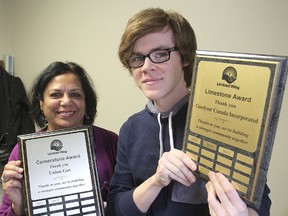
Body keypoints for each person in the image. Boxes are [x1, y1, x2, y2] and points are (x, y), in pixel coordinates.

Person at [106, 7, 271, 216]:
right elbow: (115, 209)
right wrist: (157, 180)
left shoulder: (224, 120)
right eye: (137, 58)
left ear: (185, 57)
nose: (146, 66)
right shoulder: (131, 129)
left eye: (160, 54)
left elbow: (259, 202)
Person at [0, 61, 118, 215]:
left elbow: (130, 199)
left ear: (85, 102)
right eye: (56, 95)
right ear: (41, 103)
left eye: (75, 94)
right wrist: (19, 205)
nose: (66, 101)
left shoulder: (111, 141)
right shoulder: (22, 151)